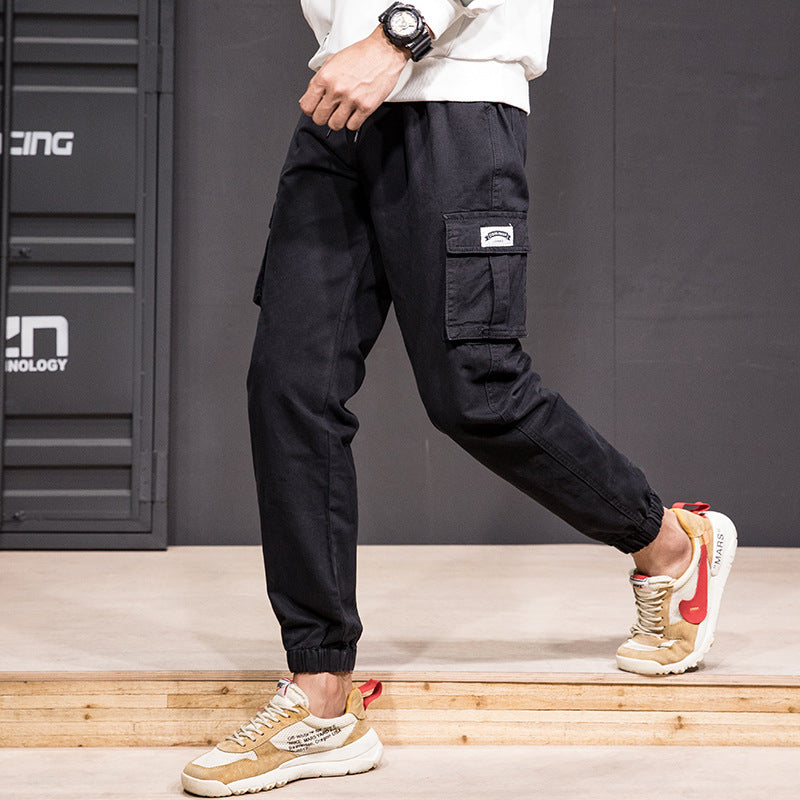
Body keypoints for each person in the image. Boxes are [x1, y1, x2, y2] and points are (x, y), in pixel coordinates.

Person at [181, 1, 737, 795]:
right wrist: (354, 48)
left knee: (476, 391)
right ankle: (321, 694)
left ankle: (671, 544)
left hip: (457, 101)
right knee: (289, 387)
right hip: (340, 104)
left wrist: (396, 36)